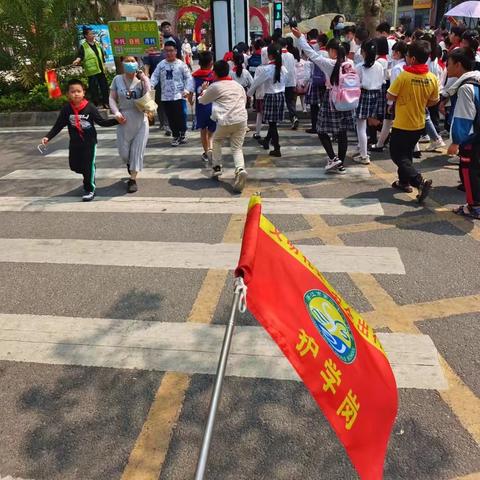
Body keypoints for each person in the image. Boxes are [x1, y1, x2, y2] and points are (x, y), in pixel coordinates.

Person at [41, 79, 119, 201]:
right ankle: (88, 174)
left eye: (78, 91)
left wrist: (116, 120)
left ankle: (89, 189)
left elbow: (102, 122)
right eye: (73, 91)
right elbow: (58, 125)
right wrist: (48, 137)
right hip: (75, 143)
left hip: (89, 143)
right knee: (75, 166)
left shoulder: (90, 107)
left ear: (83, 93)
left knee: (88, 167)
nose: (76, 94)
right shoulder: (67, 109)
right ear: (68, 94)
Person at [293, 28, 355, 174]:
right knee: (342, 133)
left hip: (332, 99)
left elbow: (311, 54)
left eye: (329, 51)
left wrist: (301, 37)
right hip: (347, 100)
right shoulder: (350, 63)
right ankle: (340, 163)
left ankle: (333, 158)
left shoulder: (330, 63)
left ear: (333, 51)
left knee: (321, 129)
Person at [386, 40, 439, 201]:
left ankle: (418, 181)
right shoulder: (431, 78)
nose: (406, 58)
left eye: (408, 56)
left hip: (402, 124)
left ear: (413, 59)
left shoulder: (404, 75)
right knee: (407, 153)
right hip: (419, 124)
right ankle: (404, 182)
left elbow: (390, 95)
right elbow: (434, 101)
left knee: (397, 154)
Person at [198, 60, 249, 192]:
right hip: (241, 119)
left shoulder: (215, 86)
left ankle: (217, 167)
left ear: (214, 73)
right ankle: (240, 169)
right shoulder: (237, 85)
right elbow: (244, 99)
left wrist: (203, 90)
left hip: (225, 120)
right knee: (237, 147)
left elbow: (202, 101)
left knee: (217, 141)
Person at [446, 48, 480, 219]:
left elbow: (464, 118)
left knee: (469, 170)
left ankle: (474, 206)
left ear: (458, 65)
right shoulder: (477, 79)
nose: (446, 67)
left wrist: (456, 141)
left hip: (473, 138)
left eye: (448, 64)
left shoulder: (466, 87)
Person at [109, 56, 151, 193]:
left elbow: (148, 97)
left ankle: (132, 179)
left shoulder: (141, 81)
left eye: (133, 61)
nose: (130, 63)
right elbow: (112, 98)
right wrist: (116, 112)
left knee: (137, 152)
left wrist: (144, 78)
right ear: (122, 63)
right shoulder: (117, 80)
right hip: (124, 119)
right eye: (127, 61)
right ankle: (129, 164)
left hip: (140, 118)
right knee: (124, 153)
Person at [151, 40, 194, 147]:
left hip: (179, 95)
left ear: (175, 51)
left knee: (181, 116)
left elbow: (189, 78)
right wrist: (150, 85)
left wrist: (187, 90)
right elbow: (155, 76)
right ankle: (175, 135)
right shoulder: (161, 65)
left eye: (171, 51)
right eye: (167, 51)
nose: (169, 53)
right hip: (166, 96)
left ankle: (182, 133)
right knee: (171, 117)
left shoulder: (181, 65)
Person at [248, 44, 287, 157]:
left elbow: (257, 82)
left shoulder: (268, 69)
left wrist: (249, 94)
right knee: (273, 122)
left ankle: (277, 148)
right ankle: (266, 140)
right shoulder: (282, 68)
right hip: (280, 96)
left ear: (269, 56)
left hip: (270, 96)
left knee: (272, 124)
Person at [371, 40, 408, 152]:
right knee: (397, 123)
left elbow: (393, 87)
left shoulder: (397, 68)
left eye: (394, 52)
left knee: (388, 122)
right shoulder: (406, 66)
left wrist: (390, 103)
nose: (392, 55)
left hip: (396, 100)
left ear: (398, 53)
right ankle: (415, 149)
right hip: (406, 99)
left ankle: (380, 144)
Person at [353, 40, 384, 165]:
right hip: (376, 94)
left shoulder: (359, 67)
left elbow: (356, 83)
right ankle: (362, 148)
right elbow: (382, 82)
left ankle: (364, 155)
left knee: (361, 126)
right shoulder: (379, 66)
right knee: (367, 125)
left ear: (363, 52)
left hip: (363, 94)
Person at [73, 27, 110, 108]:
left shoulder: (97, 44)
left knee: (104, 87)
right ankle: (96, 104)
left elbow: (102, 56)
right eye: (91, 34)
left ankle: (106, 103)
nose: (93, 35)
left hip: (100, 70)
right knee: (94, 89)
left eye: (93, 33)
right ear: (86, 35)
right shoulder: (83, 46)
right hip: (92, 71)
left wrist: (105, 66)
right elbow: (80, 56)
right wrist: (77, 60)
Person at [193, 52, 216, 163]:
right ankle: (211, 149)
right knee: (212, 132)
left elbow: (189, 92)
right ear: (211, 63)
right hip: (214, 107)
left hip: (201, 107)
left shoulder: (194, 76)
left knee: (203, 130)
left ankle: (206, 152)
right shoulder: (215, 76)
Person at [143, 45, 170, 136]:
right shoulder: (150, 53)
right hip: (157, 84)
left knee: (168, 103)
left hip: (168, 82)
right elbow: (146, 69)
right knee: (159, 104)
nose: (160, 40)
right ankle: (164, 123)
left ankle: (167, 123)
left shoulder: (167, 51)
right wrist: (147, 83)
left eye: (161, 38)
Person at [305, 32, 328, 134]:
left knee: (314, 106)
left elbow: (311, 67)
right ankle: (325, 125)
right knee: (325, 105)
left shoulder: (317, 54)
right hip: (327, 83)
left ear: (320, 43)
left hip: (316, 81)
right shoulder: (329, 53)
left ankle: (315, 126)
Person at [279, 38, 298, 129]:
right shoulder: (291, 55)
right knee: (290, 102)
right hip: (291, 82)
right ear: (286, 45)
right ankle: (294, 117)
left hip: (281, 83)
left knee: (280, 102)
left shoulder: (278, 55)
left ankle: (278, 120)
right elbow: (294, 70)